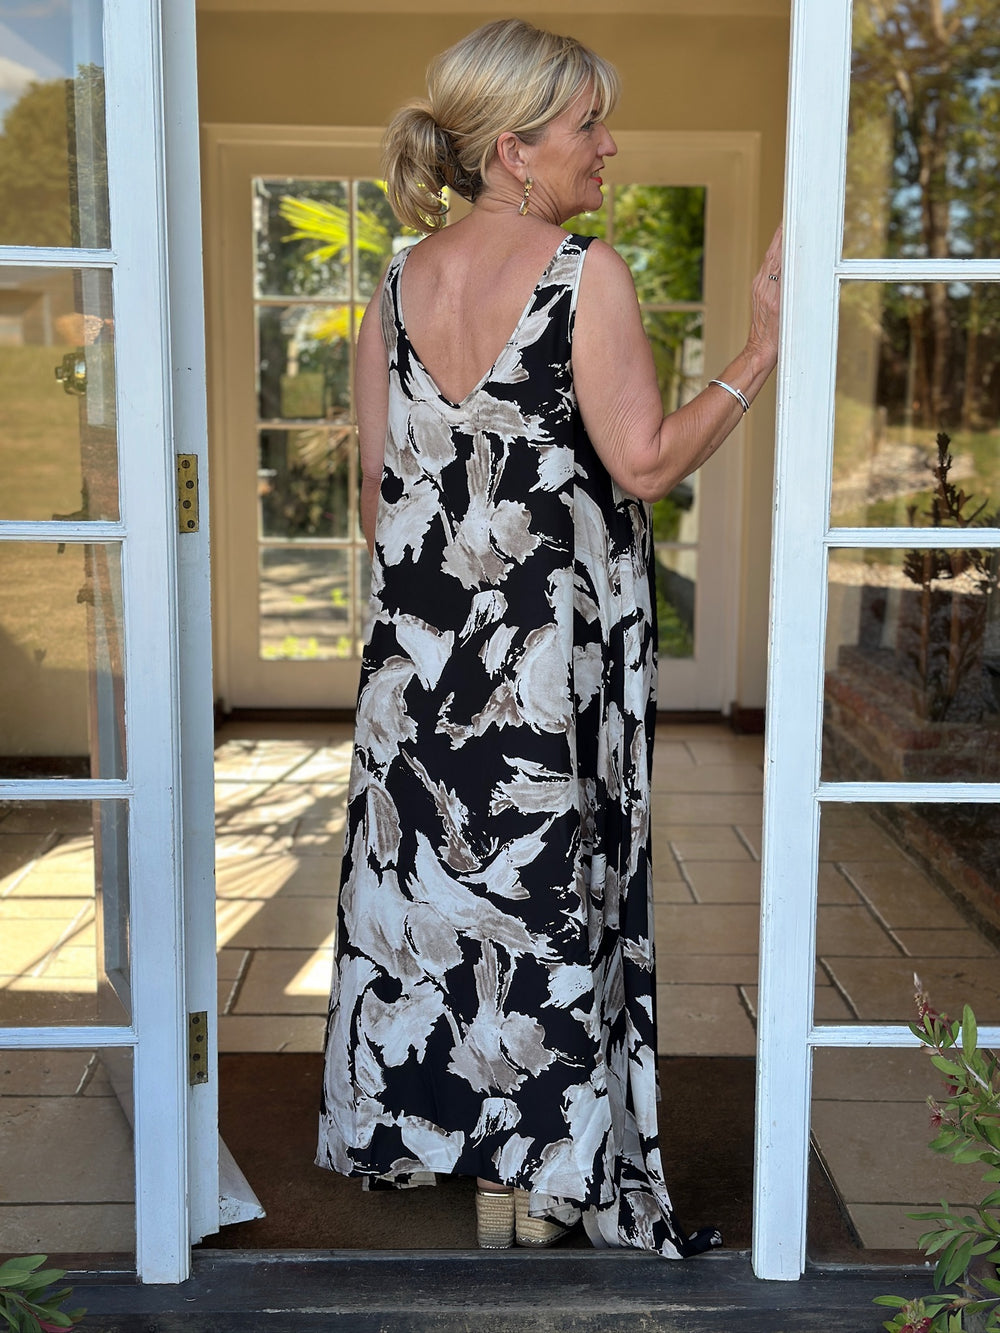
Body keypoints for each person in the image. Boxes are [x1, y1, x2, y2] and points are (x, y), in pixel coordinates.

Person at [316, 17, 781, 1258]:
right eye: (589, 125)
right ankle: (550, 1181)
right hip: (542, 677)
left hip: (420, 677)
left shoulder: (393, 288)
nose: (609, 146)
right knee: (553, 903)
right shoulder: (584, 273)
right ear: (515, 149)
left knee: (449, 917)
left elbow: (378, 504)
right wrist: (761, 347)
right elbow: (646, 462)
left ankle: (487, 1170)